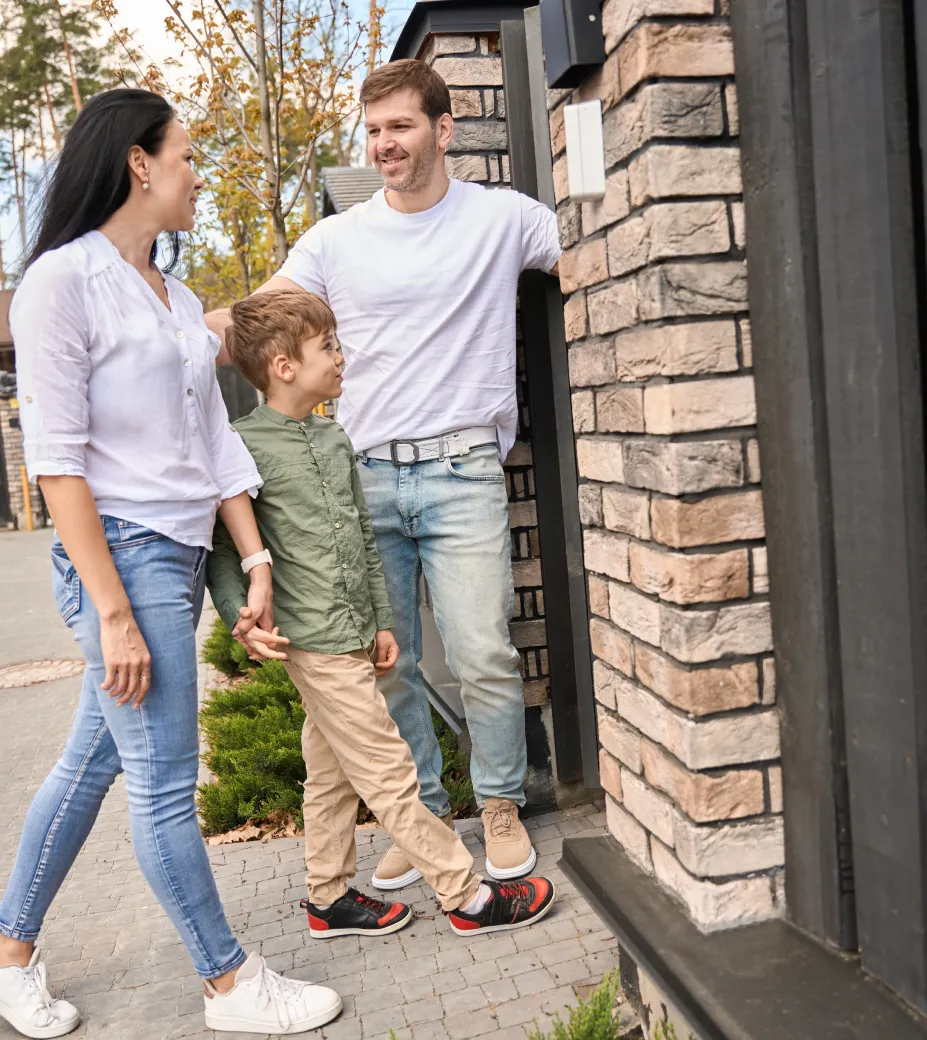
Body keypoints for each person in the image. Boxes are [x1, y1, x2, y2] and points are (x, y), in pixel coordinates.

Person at [0, 88, 342, 1039]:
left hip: (173, 558)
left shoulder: (169, 299)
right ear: (138, 163)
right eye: (188, 156)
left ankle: (3, 956)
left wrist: (254, 562)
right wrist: (112, 610)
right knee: (165, 783)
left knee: (89, 766)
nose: (198, 173)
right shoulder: (61, 283)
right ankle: (231, 983)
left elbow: (211, 444)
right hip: (121, 561)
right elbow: (57, 463)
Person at [208, 59, 563, 889]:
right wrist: (173, 327)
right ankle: (425, 816)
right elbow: (256, 321)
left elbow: (586, 261)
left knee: (481, 650)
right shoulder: (337, 239)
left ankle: (501, 803)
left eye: (400, 127)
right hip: (362, 477)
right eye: (372, 131)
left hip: (464, 466)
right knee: (386, 662)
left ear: (443, 130)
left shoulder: (504, 219)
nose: (384, 145)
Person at [205, 291, 558, 941]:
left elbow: (363, 542)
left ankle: (327, 898)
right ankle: (465, 894)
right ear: (284, 365)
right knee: (390, 770)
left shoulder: (335, 439)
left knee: (332, 772)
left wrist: (382, 622)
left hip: (350, 633)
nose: (342, 356)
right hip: (308, 638)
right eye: (328, 346)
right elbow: (225, 548)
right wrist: (239, 616)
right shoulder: (241, 446)